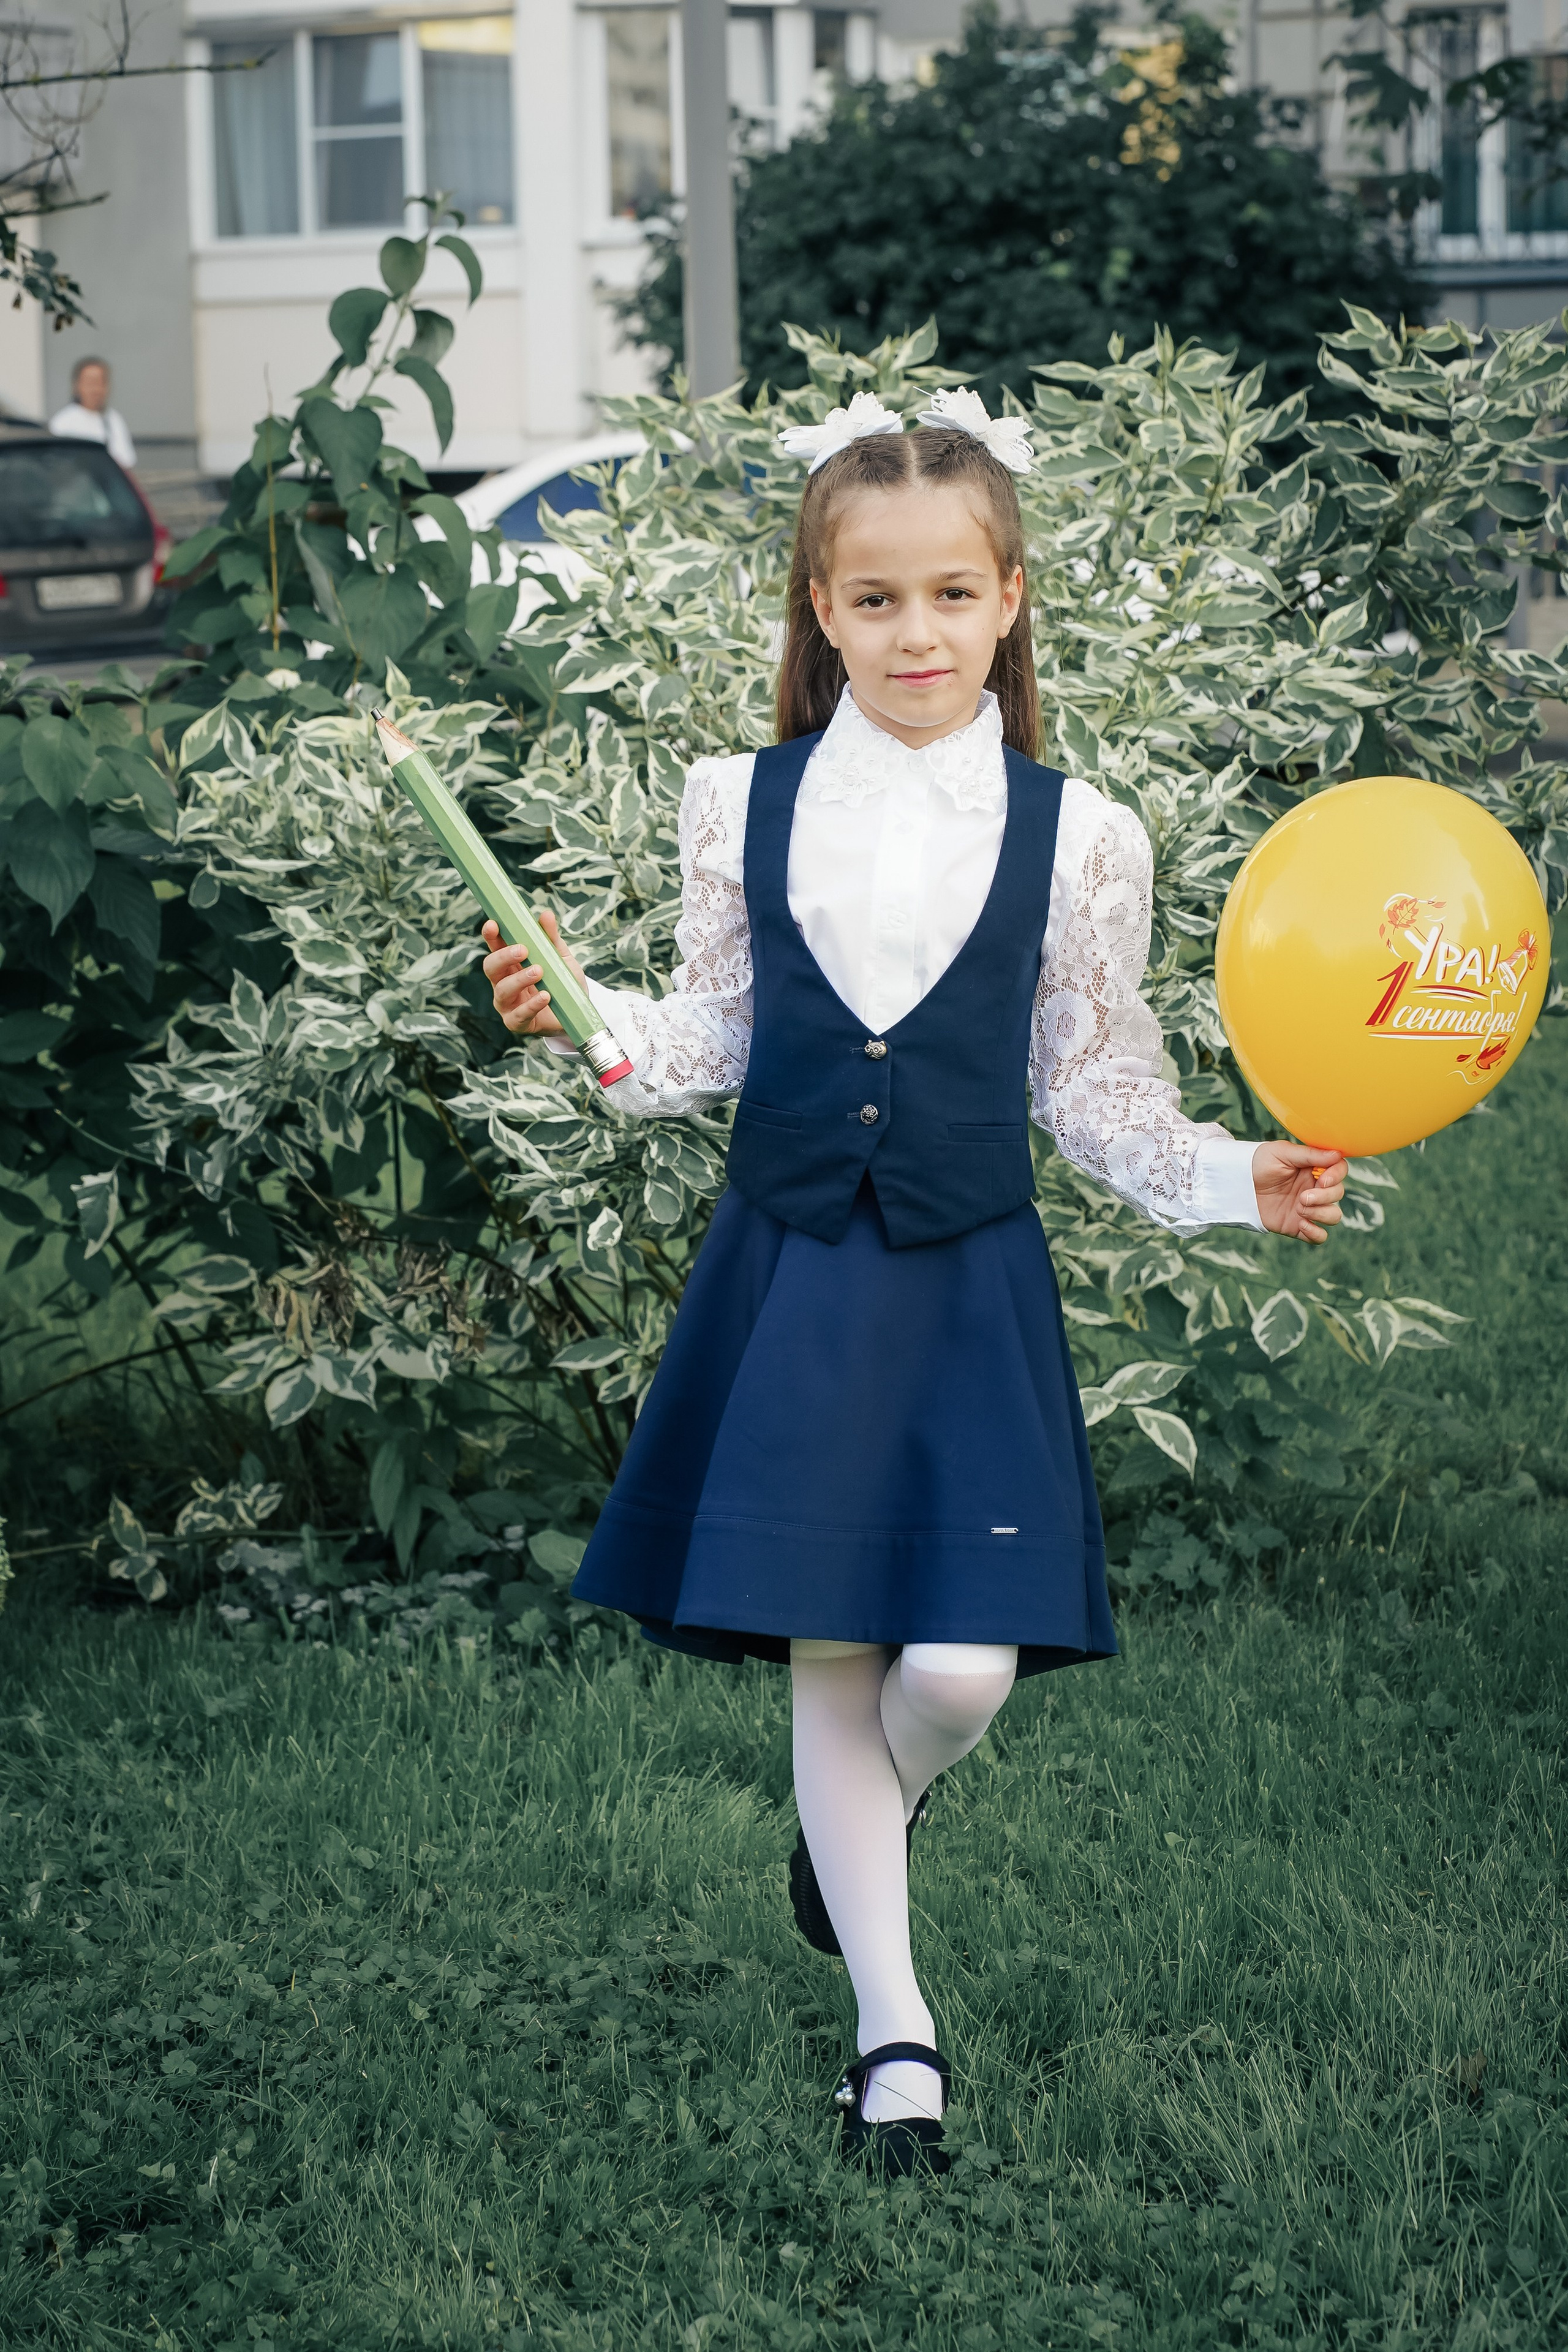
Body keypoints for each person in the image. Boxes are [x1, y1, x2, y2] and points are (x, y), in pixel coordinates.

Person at [481, 388, 1349, 2179]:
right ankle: (896, 2037)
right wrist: (594, 1029)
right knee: (832, 1660)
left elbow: (1094, 1091)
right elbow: (714, 1028)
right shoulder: (739, 800)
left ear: (1011, 599)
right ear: (816, 607)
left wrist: (1229, 1177)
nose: (915, 634)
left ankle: (853, 1818)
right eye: (873, 600)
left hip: (964, 1288)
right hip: (794, 1277)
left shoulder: (1080, 834)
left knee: (951, 1675)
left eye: (951, 595)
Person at [50, 355, 137, 475]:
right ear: (77, 386)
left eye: (101, 383)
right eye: (90, 383)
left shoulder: (114, 419)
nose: (96, 390)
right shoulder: (63, 423)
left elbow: (126, 464)